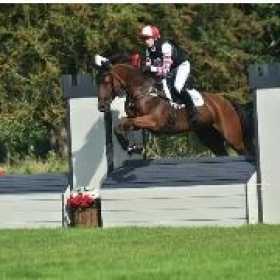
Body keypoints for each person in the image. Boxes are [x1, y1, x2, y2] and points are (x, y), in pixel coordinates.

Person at [138, 24, 202, 125]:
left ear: (154, 37)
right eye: (143, 39)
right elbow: (150, 66)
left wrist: (151, 68)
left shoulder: (165, 47)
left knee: (177, 87)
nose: (145, 41)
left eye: (147, 38)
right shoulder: (148, 50)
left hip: (181, 66)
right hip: (168, 68)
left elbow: (165, 70)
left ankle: (193, 112)